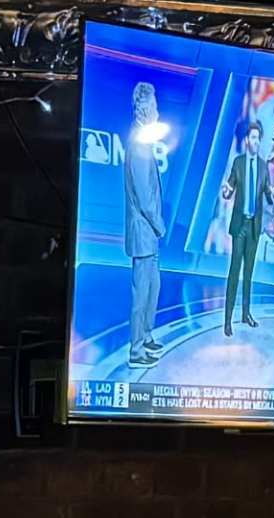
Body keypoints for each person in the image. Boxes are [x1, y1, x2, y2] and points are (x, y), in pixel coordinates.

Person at [120, 80, 170, 366]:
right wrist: (161, 226)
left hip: (148, 235)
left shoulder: (143, 141)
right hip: (144, 233)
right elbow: (144, 196)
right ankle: (136, 350)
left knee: (153, 288)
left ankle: (147, 337)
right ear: (144, 108)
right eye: (155, 105)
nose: (158, 111)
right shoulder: (139, 144)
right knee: (142, 295)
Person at [218, 109, 270, 333]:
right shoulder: (238, 163)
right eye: (253, 138)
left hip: (254, 227)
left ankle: (245, 313)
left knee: (249, 272)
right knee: (234, 272)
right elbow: (229, 189)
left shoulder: (264, 166)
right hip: (240, 226)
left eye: (259, 139)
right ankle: (228, 319)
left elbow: (267, 194)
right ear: (247, 140)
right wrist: (226, 191)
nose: (256, 142)